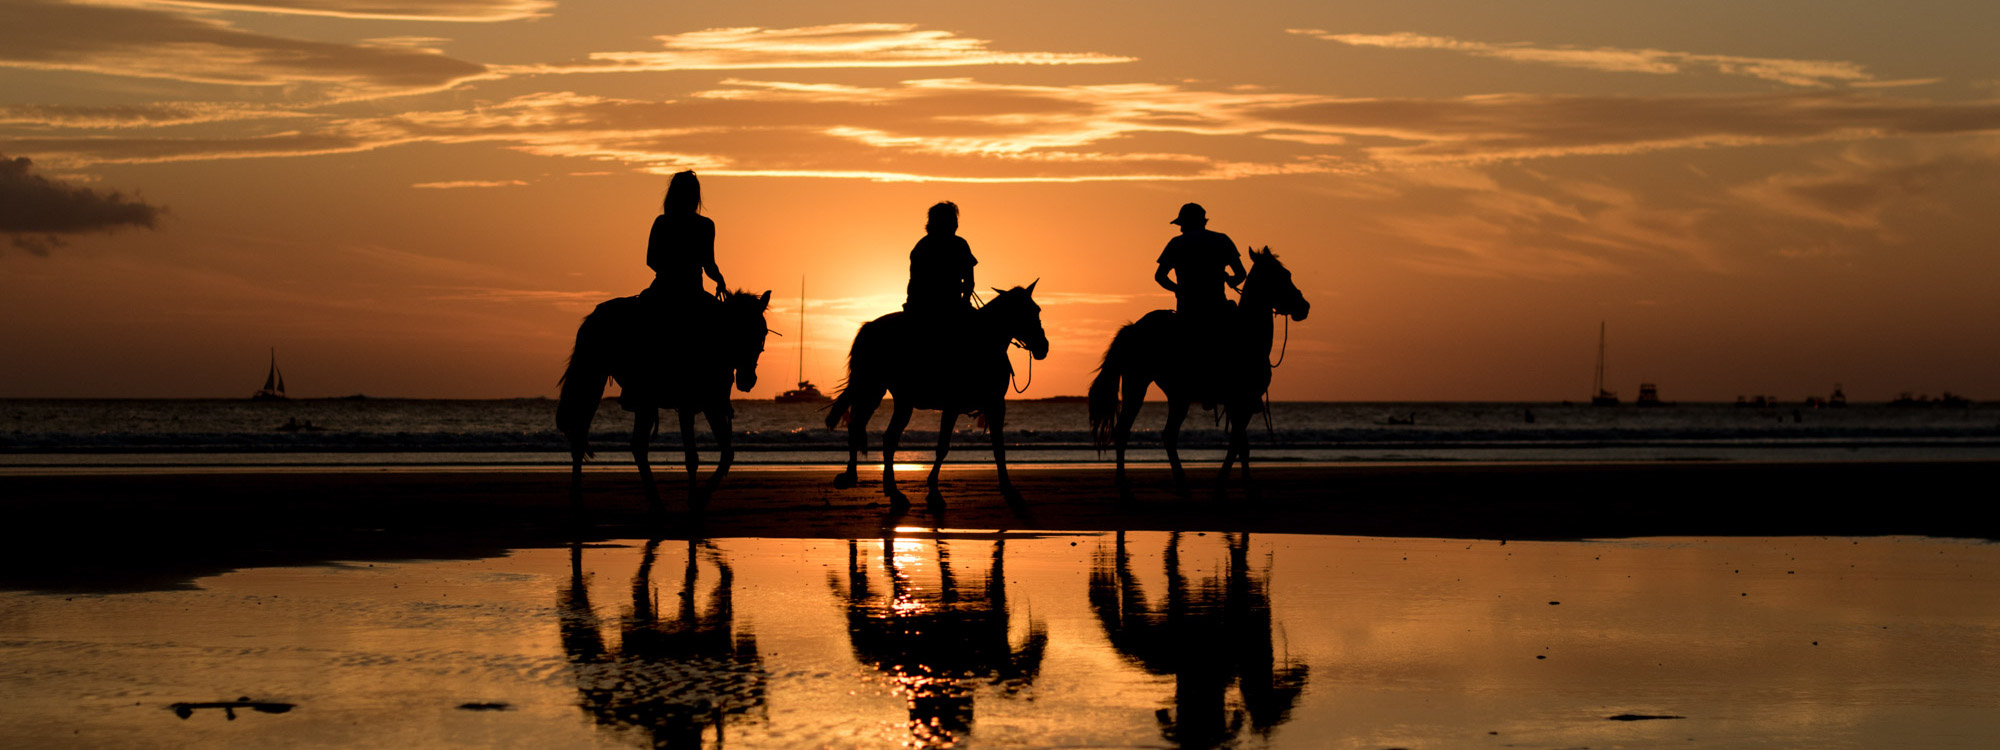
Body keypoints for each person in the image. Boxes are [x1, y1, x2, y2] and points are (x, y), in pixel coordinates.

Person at [644, 170, 725, 306]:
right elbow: (709, 264)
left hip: (662, 290)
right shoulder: (705, 225)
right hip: (694, 291)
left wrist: (671, 275)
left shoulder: (662, 222)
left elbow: (651, 260)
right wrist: (719, 280)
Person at [1154, 203, 1245, 322]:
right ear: (1203, 222)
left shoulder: (1176, 243)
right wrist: (1230, 280)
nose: (1180, 228)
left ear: (1186, 223)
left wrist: (1178, 289)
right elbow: (1241, 274)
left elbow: (1160, 276)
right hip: (1218, 309)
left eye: (1181, 224)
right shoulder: (1222, 240)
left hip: (1187, 311)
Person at [902, 201, 977, 319]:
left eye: (955, 219)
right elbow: (920, 282)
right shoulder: (924, 247)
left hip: (950, 304)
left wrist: (964, 298)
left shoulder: (960, 244)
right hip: (925, 306)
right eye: (952, 219)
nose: (955, 223)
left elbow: (969, 281)